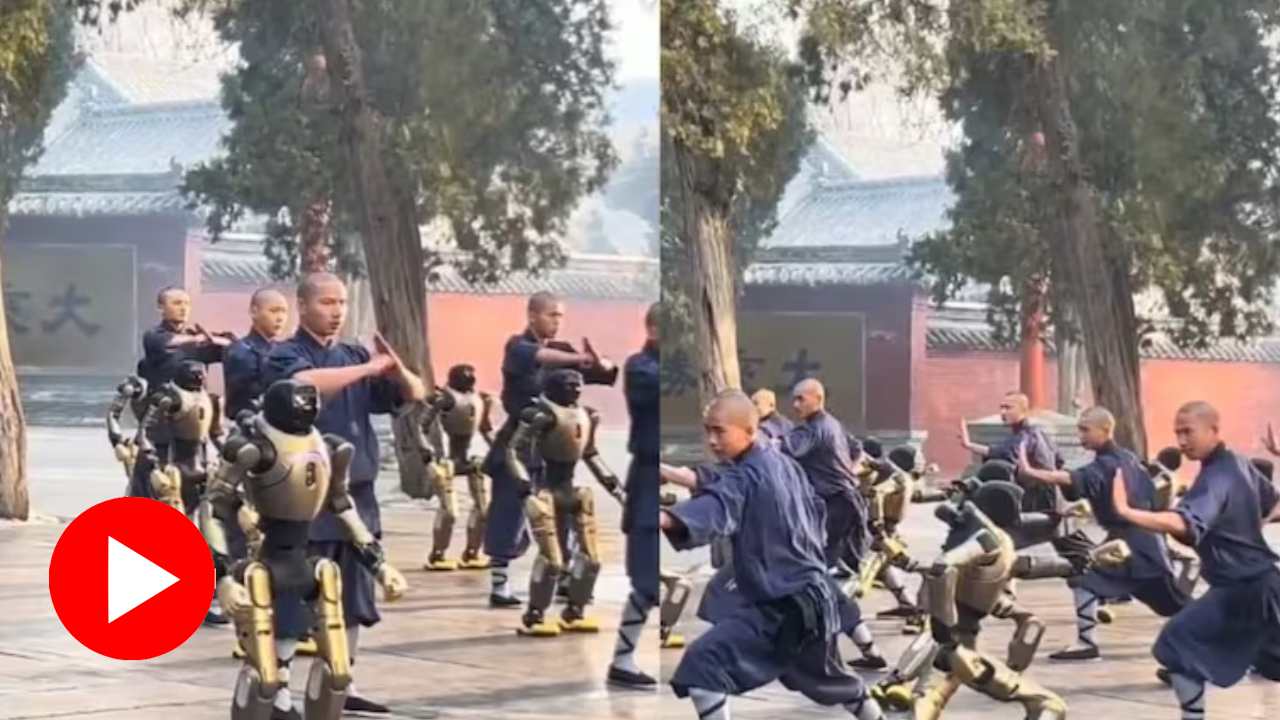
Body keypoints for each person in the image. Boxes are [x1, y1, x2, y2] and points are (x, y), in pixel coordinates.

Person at [659, 390, 885, 720]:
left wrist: (663, 518)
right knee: (830, 681)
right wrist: (668, 472)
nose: (711, 440)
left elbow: (719, 504)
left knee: (703, 665)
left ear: (750, 430)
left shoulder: (752, 472)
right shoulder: (781, 463)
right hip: (814, 601)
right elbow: (722, 481)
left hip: (783, 609)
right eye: (707, 430)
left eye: (719, 431)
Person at [264, 272, 425, 715]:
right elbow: (305, 384)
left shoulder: (354, 352)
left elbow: (414, 394)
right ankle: (277, 690)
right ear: (303, 305)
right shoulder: (285, 355)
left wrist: (395, 365)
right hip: (307, 495)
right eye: (326, 303)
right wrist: (369, 368)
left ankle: (342, 684)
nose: (336, 311)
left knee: (352, 594)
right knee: (296, 590)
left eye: (341, 303)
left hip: (358, 493)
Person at [1112, 401, 1280, 720]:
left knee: (1175, 642)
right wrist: (1258, 521)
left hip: (1246, 590)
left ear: (1213, 430)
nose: (1182, 441)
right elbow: (1273, 503)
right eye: (1178, 433)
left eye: (1188, 431)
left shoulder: (1219, 475)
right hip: (1256, 585)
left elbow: (1185, 523)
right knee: (1184, 644)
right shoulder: (1239, 464)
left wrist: (1129, 512)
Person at [1016, 406, 1189, 661]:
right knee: (1172, 604)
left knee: (1087, 579)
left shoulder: (1107, 464)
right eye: (1079, 429)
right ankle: (1227, 633)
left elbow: (1073, 479)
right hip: (1144, 540)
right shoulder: (1128, 458)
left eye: (1086, 430)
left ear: (1105, 430)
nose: (1081, 435)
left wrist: (1033, 472)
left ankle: (1086, 643)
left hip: (1133, 542)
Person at [482, 292, 616, 607]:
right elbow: (540, 357)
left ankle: (565, 578)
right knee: (509, 510)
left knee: (562, 514)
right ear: (532, 315)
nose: (557, 321)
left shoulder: (563, 351)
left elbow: (601, 373)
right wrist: (576, 360)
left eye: (560, 316)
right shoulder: (517, 347)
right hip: (520, 439)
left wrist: (599, 363)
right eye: (551, 314)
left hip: (555, 447)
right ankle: (499, 583)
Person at [608, 303, 661, 688]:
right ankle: (622, 660)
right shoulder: (640, 367)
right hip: (647, 478)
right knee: (646, 581)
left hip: (681, 479)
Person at [780, 379, 869, 571]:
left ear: (818, 398)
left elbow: (787, 449)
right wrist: (850, 471)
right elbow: (857, 449)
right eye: (794, 400)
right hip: (845, 499)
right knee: (844, 566)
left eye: (801, 399)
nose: (795, 405)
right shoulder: (833, 424)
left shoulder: (813, 429)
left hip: (833, 504)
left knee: (822, 566)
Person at [959, 391, 1061, 514]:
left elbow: (1001, 453)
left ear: (1024, 410)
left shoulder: (1028, 435)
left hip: (1037, 499)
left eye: (1008, 408)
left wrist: (969, 445)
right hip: (1041, 495)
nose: (1003, 412)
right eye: (1001, 407)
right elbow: (1059, 460)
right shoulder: (1030, 433)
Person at [224, 288, 291, 419]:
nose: (280, 318)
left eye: (284, 312)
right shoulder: (240, 350)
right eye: (274, 311)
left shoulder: (282, 349)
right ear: (254, 312)